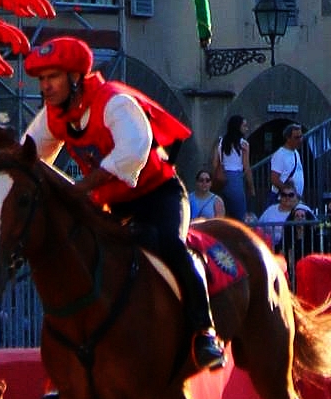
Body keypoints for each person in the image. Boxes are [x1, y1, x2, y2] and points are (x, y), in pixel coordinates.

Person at [22, 36, 225, 371]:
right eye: (42, 80)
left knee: (172, 246)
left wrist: (82, 186)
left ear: (75, 78)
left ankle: (205, 333)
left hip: (159, 195)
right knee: (81, 259)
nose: (45, 86)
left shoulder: (114, 102)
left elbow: (134, 149)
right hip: (114, 205)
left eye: (52, 78)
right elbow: (30, 154)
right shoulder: (53, 116)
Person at [212, 115, 255, 219]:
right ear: (238, 127)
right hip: (236, 179)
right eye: (244, 125)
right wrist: (251, 187)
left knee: (224, 216)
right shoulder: (243, 144)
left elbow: (214, 163)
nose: (246, 128)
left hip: (221, 179)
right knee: (239, 217)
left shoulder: (221, 142)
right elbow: (246, 166)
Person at [258, 186, 310, 251]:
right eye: (284, 195)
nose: (287, 197)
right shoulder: (270, 210)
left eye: (291, 195)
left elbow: (314, 227)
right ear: (280, 197)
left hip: (298, 248)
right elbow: (258, 227)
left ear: (296, 196)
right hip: (272, 249)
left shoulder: (304, 209)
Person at [269, 124, 304, 205]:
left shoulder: (295, 153)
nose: (300, 140)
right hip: (283, 199)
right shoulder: (280, 154)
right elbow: (274, 179)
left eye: (301, 136)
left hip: (294, 200)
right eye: (296, 137)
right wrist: (289, 193)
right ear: (288, 138)